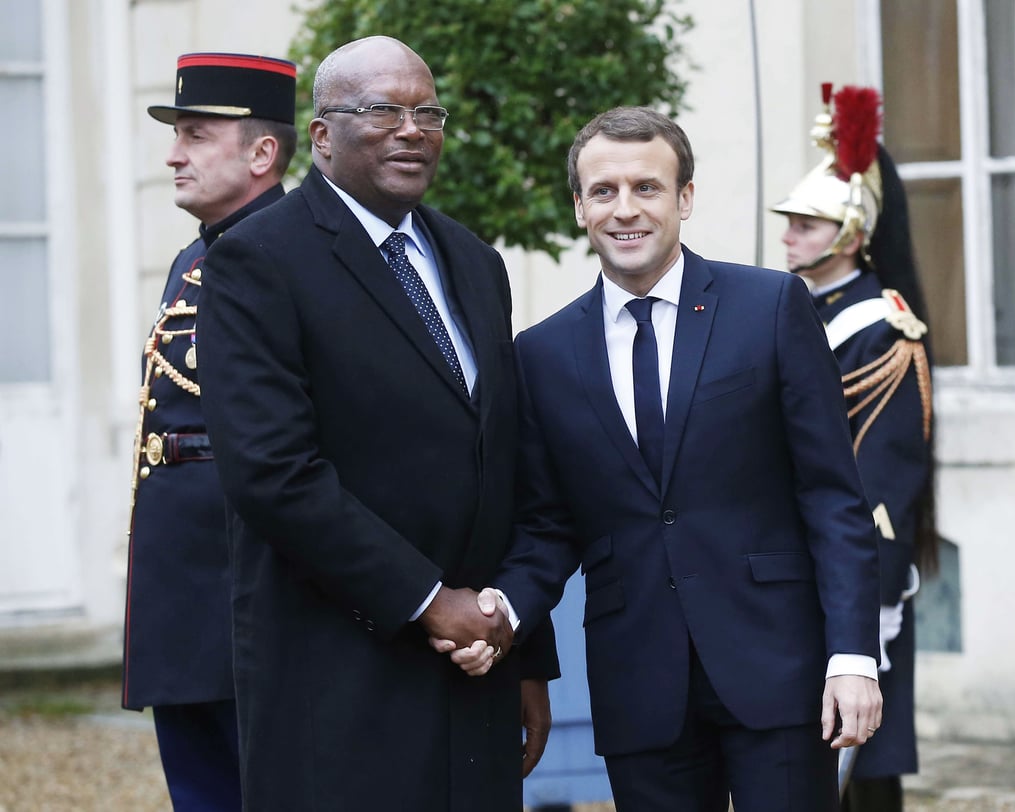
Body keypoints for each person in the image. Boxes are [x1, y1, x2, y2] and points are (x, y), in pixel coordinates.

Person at [439, 106, 883, 812]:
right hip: (639, 683)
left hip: (777, 669)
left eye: (646, 188)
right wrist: (503, 607)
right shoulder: (542, 355)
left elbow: (832, 496)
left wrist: (853, 656)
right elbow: (548, 525)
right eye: (604, 191)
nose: (626, 210)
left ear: (684, 198)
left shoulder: (768, 307)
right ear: (580, 207)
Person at [194, 36, 558, 811]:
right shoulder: (258, 261)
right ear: (321, 135)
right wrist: (429, 601)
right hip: (341, 677)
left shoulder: (473, 261)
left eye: (428, 112)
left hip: (476, 674)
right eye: (383, 111)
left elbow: (507, 466)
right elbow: (272, 472)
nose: (411, 129)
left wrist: (522, 649)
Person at [122, 51, 299, 811]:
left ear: (262, 152)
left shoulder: (300, 255)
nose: (172, 153)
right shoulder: (194, 259)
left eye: (195, 134)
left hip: (253, 586)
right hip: (181, 590)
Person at [772, 84, 937, 812]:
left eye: (807, 225)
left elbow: (881, 479)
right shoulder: (797, 309)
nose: (788, 237)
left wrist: (865, 592)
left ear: (849, 233)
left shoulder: (880, 327)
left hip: (848, 575)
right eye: (790, 223)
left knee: (857, 766)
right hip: (790, 566)